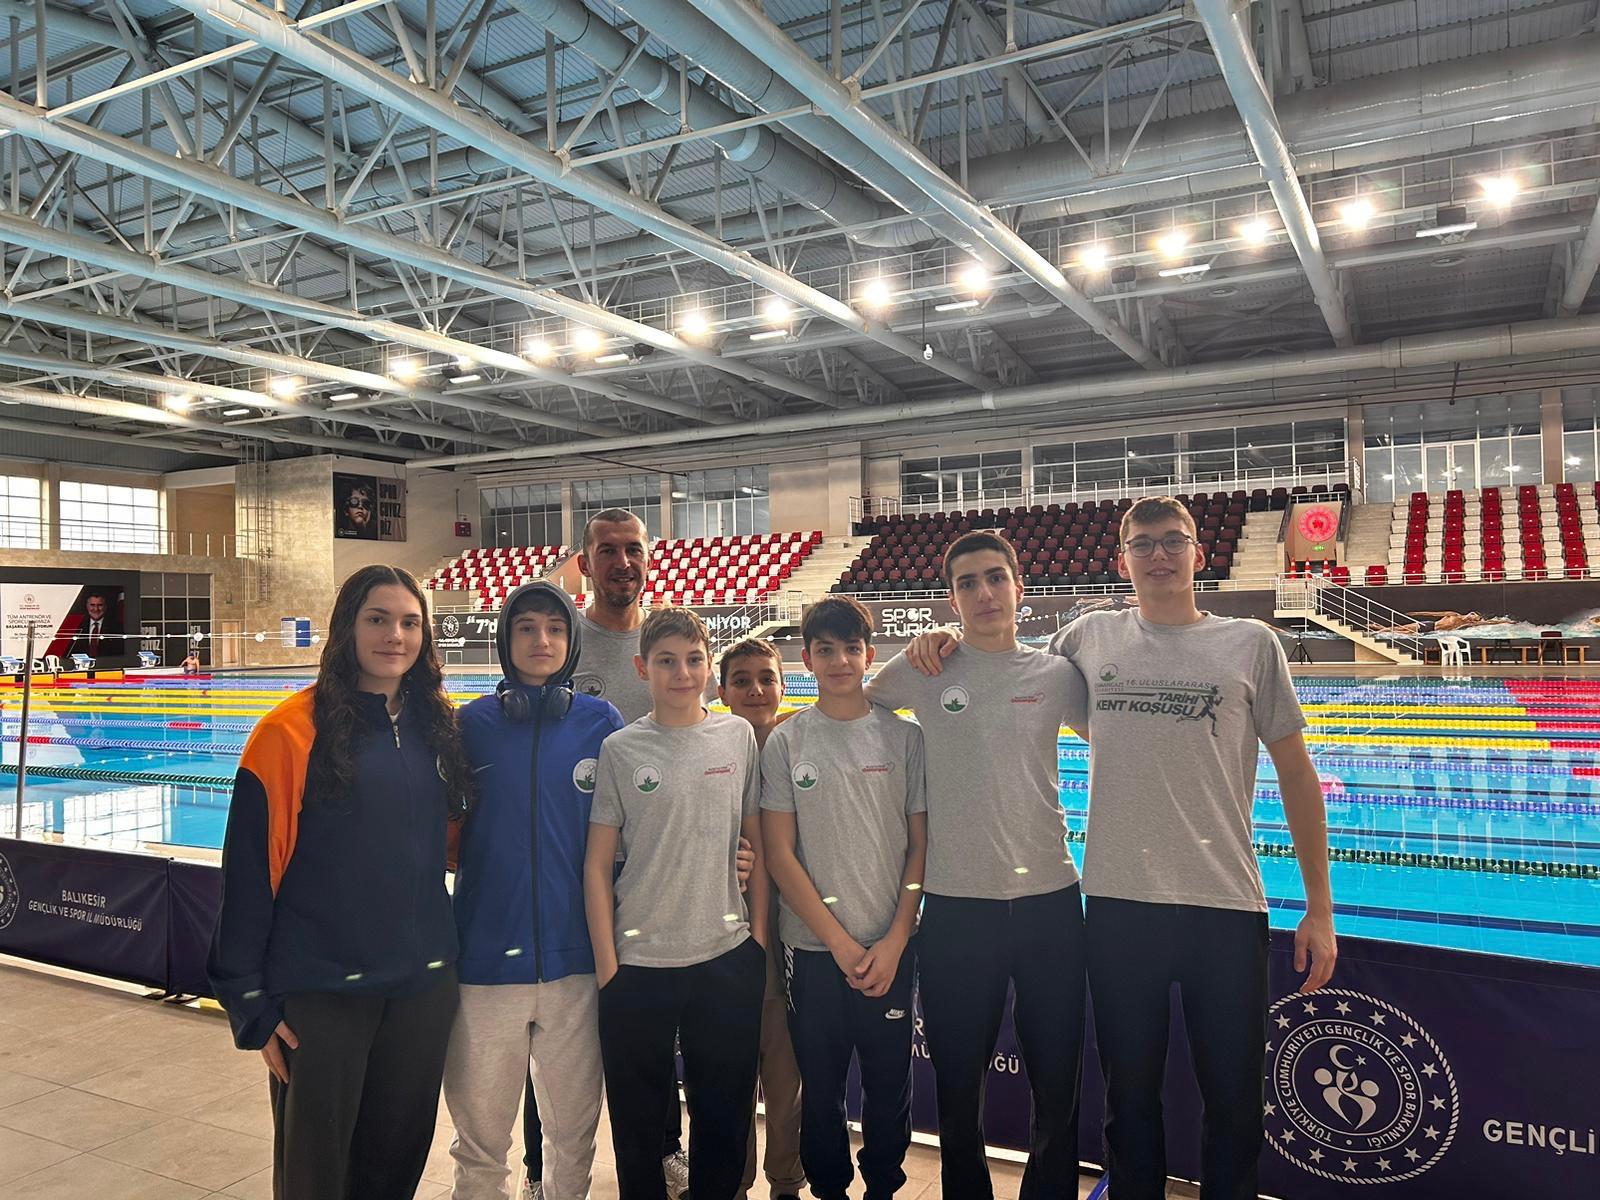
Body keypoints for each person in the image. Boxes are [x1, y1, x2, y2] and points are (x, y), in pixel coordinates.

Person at [907, 497, 1337, 1200]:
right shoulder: (1089, 637)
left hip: (1226, 905)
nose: (1159, 554)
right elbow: (1005, 664)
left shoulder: (1251, 643)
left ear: (1199, 552)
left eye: (1173, 541)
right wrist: (942, 638)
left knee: (1234, 1104)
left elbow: (1296, 771)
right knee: (1128, 1105)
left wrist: (1319, 908)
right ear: (1122, 560)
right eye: (1143, 544)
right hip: (1118, 907)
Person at [207, 565, 472, 1200]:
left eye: (410, 622)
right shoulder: (289, 732)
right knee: (315, 1177)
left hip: (421, 991)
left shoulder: (438, 728)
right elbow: (250, 873)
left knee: (393, 1170)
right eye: (377, 619)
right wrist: (248, 1000)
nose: (395, 636)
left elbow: (455, 846)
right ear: (346, 627)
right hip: (322, 993)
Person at [864, 531, 1089, 1200]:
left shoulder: (1056, 674)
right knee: (958, 1087)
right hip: (956, 907)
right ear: (952, 598)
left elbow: (1120, 736)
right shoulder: (925, 669)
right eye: (968, 583)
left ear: (1019, 588)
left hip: (1051, 901)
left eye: (995, 577)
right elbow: (857, 711)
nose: (984, 593)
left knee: (1058, 1084)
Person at [521, 506, 694, 1199]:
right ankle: (539, 1169)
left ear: (648, 557)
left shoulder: (666, 640)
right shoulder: (564, 641)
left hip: (653, 874)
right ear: (585, 563)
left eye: (633, 549)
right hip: (571, 871)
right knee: (552, 1030)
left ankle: (663, 1151)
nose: (623, 562)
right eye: (608, 551)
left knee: (657, 1027)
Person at [445, 581, 622, 1200]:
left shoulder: (601, 723)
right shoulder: (471, 725)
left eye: (555, 627)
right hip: (485, 962)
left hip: (578, 962)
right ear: (505, 640)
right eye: (526, 628)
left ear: (572, 640)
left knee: (573, 1135)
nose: (541, 640)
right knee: (480, 1142)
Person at [585, 607, 769, 1200]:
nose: (682, 673)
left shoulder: (737, 737)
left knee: (725, 1115)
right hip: (638, 964)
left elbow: (756, 838)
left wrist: (758, 939)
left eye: (693, 660)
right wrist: (609, 966)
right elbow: (597, 864)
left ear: (709, 667)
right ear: (643, 668)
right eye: (666, 661)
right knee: (637, 1124)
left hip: (726, 955)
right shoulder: (620, 748)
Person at [762, 597, 927, 1200]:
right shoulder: (787, 742)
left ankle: (884, 1186)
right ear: (806, 659)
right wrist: (836, 942)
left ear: (869, 655)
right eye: (825, 650)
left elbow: (919, 847)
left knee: (889, 1084)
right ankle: (828, 1188)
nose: (839, 661)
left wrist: (897, 936)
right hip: (811, 951)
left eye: (850, 649)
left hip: (891, 946)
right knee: (820, 1088)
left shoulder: (904, 738)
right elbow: (780, 854)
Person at [718, 638, 807, 1200]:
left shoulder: (801, 743)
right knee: (729, 1080)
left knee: (785, 1078)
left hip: (791, 938)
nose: (755, 690)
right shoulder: (709, 749)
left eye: (766, 678)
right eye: (742, 680)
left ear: (783, 685)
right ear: (722, 690)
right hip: (723, 943)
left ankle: (786, 1182)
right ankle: (733, 1181)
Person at [67, 589, 122, 659]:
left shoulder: (116, 628)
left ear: (105, 607)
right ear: (87, 606)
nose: (96, 609)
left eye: (100, 605)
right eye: (92, 605)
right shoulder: (77, 626)